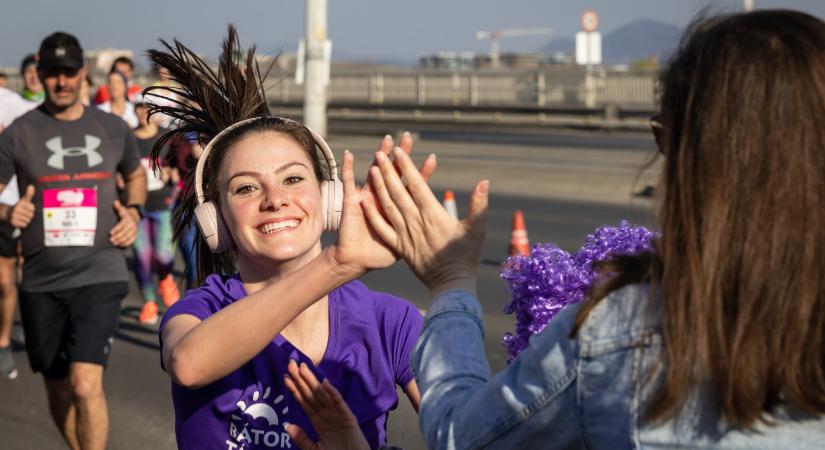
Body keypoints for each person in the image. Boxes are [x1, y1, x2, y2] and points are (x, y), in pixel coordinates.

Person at [288, 9, 825, 450]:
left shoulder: (625, 330)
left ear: (696, 157)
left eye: (664, 138)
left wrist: (450, 283)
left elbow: (464, 436)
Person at [148, 26, 432, 450]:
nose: (275, 200)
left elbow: (472, 434)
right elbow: (188, 364)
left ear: (328, 197)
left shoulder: (391, 321)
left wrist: (454, 279)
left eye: (294, 179)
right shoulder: (202, 310)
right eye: (246, 188)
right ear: (217, 219)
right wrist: (336, 265)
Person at [0, 31, 146, 450]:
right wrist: (8, 212)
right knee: (59, 385)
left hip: (100, 272)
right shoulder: (19, 133)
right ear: (40, 74)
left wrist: (133, 212)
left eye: (68, 72)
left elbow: (136, 174)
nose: (61, 81)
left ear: (83, 73)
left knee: (85, 383)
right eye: (52, 73)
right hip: (41, 279)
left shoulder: (113, 128)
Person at [131, 95, 180, 325]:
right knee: (141, 256)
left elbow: (178, 164)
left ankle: (166, 277)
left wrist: (172, 172)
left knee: (163, 253)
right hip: (137, 205)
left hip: (162, 202)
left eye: (147, 108)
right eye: (139, 108)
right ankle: (149, 302)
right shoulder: (129, 138)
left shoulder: (166, 137)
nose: (143, 113)